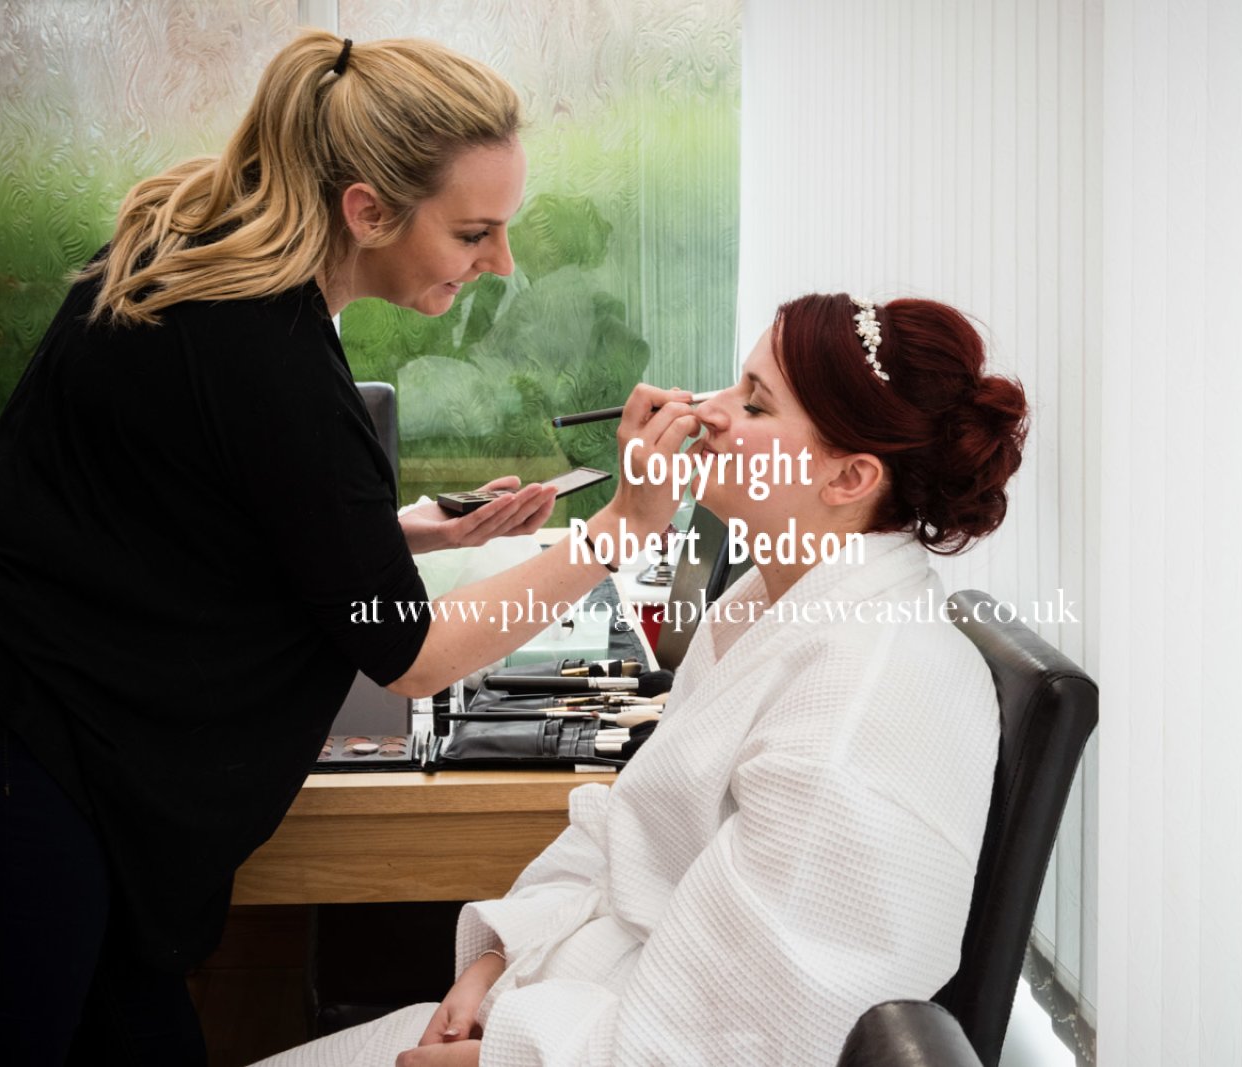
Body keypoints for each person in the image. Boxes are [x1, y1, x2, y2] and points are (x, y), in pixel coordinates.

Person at [0, 31, 698, 1065]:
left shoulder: (199, 264)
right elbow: (410, 652)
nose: (501, 262)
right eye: (474, 231)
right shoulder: (270, 355)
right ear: (366, 211)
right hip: (14, 760)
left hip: (7, 715)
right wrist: (622, 529)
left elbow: (178, 509)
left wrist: (388, 533)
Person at [253, 292, 1030, 1067]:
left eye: (754, 403)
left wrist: (503, 1056)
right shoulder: (765, 604)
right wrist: (497, 957)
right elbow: (630, 829)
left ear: (850, 476)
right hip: (564, 1011)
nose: (708, 410)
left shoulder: (861, 708)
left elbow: (752, 1035)